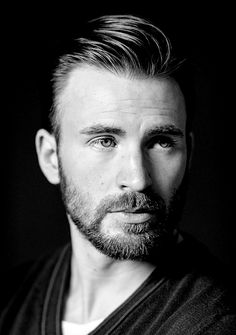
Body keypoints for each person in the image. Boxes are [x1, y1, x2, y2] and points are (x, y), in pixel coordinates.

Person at [0, 14, 235, 335]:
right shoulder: (12, 301)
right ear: (51, 157)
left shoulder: (214, 321)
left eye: (161, 142)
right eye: (105, 141)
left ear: (189, 154)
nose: (138, 178)